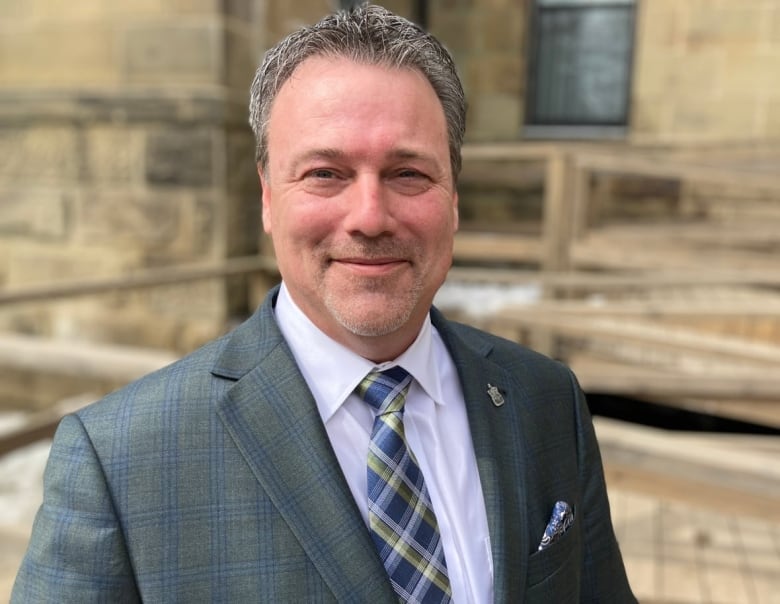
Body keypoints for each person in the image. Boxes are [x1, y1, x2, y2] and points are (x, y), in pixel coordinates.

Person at [12, 4, 635, 603]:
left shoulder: (544, 401)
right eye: (325, 174)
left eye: (408, 173)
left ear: (453, 197)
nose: (369, 216)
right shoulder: (122, 461)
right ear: (266, 198)